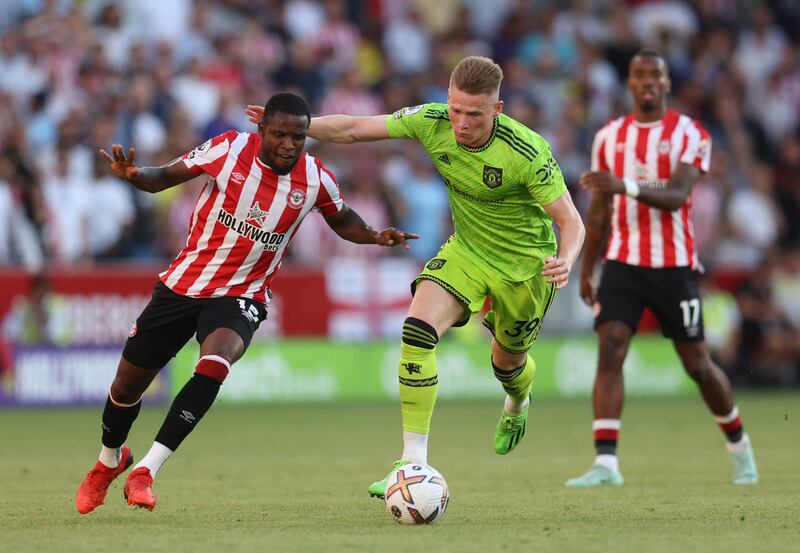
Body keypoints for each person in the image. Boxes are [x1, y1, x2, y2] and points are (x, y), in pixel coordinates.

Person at [247, 55, 585, 499]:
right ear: (447, 99)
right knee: (416, 333)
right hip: (467, 250)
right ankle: (412, 463)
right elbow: (353, 128)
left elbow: (572, 221)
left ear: (497, 111)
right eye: (456, 109)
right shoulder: (431, 120)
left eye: (475, 115)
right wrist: (298, 128)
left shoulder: (527, 152)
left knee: (507, 363)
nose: (462, 123)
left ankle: (518, 401)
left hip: (526, 267)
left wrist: (567, 257)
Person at [75, 92, 418, 514]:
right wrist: (133, 175)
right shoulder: (228, 148)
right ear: (262, 131)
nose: (289, 144)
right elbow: (163, 177)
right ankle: (109, 460)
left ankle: (146, 469)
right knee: (126, 387)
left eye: (299, 136)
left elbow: (342, 218)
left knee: (216, 362)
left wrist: (375, 235)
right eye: (280, 134)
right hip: (184, 284)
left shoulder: (315, 180)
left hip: (243, 294)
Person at [567, 49, 759, 487]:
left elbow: (677, 195)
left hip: (674, 265)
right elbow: (599, 210)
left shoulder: (691, 133)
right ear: (630, 83)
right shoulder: (608, 137)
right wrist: (586, 269)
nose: (647, 81)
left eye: (656, 74)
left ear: (667, 83)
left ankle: (740, 447)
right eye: (639, 75)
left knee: (697, 364)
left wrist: (624, 185)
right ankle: (605, 464)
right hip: (622, 261)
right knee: (611, 346)